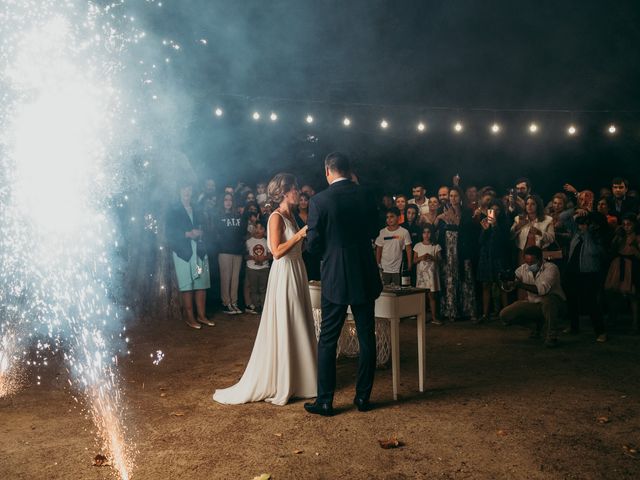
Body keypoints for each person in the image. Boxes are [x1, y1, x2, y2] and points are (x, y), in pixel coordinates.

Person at [213, 173, 317, 406]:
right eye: (294, 188)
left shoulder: (293, 216)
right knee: (288, 321)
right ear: (283, 192)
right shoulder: (275, 217)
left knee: (300, 320)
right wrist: (300, 235)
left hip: (298, 269)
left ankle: (304, 379)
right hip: (285, 272)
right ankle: (285, 380)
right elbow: (276, 251)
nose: (297, 192)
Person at [304, 152, 382, 416]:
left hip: (335, 274)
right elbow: (374, 229)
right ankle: (363, 398)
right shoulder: (365, 194)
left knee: (328, 339)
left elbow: (312, 245)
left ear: (328, 171)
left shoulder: (319, 200)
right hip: (364, 272)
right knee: (366, 336)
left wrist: (330, 248)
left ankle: (325, 401)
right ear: (350, 171)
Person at [166, 182, 215, 329]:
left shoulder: (198, 208)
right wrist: (186, 234)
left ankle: (202, 316)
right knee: (187, 284)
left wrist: (201, 233)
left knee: (201, 282)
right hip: (183, 252)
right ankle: (190, 318)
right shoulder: (173, 210)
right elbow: (169, 233)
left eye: (189, 188)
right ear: (179, 191)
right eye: (184, 188)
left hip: (199, 249)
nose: (187, 191)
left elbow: (207, 226)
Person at [499, 246, 567, 348]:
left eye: (532, 262)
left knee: (548, 301)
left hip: (556, 305)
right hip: (534, 304)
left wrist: (519, 284)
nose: (529, 265)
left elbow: (543, 290)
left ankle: (552, 336)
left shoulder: (551, 268)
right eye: (527, 262)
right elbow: (511, 283)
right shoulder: (523, 268)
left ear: (540, 259)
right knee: (505, 315)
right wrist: (506, 282)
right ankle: (537, 327)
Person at [436, 187, 477, 321]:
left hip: (462, 250)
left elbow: (467, 230)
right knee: (449, 279)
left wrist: (453, 218)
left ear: (460, 198)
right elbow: (436, 229)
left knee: (466, 279)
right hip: (448, 250)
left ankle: (468, 310)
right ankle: (451, 311)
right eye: (451, 196)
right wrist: (439, 218)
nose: (453, 198)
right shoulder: (443, 211)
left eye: (456, 196)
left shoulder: (466, 212)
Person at [564, 214, 607, 342]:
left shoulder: (597, 237)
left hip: (589, 274)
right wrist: (577, 213)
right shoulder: (577, 235)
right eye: (580, 224)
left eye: (584, 224)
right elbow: (564, 218)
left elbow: (593, 252)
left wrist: (588, 234)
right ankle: (574, 327)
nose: (581, 226)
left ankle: (601, 331)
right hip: (573, 272)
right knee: (571, 300)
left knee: (591, 302)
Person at [604, 213, 640, 333]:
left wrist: (635, 247)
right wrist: (617, 237)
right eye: (624, 224)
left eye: (629, 224)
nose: (626, 227)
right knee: (614, 293)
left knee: (633, 295)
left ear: (634, 225)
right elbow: (613, 249)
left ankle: (635, 322)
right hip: (618, 264)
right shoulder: (620, 236)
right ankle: (613, 319)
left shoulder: (637, 237)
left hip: (631, 265)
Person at [476, 200, 511, 323]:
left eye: (497, 210)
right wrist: (485, 229)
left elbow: (502, 241)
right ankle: (485, 315)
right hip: (486, 257)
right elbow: (481, 241)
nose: (494, 212)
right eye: (492, 210)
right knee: (485, 285)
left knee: (502, 286)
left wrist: (495, 225)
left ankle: (506, 316)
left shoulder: (504, 223)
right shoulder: (486, 222)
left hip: (499, 257)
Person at [217, 193, 245, 314]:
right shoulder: (219, 216)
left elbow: (242, 232)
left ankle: (234, 302)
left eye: (230, 200)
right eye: (225, 200)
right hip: (224, 251)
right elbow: (216, 233)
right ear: (222, 202)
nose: (228, 202)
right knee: (226, 278)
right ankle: (225, 303)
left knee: (235, 279)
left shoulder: (238, 215)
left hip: (237, 251)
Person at [375, 207, 412, 286]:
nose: (389, 219)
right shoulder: (382, 232)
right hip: (384, 268)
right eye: (387, 217)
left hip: (398, 268)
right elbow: (379, 249)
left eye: (392, 216)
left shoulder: (404, 232)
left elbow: (408, 249)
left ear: (398, 217)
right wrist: (378, 264)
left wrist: (409, 264)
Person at [413, 225, 442, 324]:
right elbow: (415, 260)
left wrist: (432, 257)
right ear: (421, 234)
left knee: (432, 296)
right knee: (422, 297)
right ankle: (422, 317)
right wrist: (422, 257)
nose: (426, 235)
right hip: (421, 276)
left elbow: (440, 260)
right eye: (424, 232)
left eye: (428, 232)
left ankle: (434, 317)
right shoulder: (418, 246)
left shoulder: (436, 246)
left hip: (431, 276)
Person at [244, 222, 271, 314]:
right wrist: (253, 257)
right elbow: (245, 255)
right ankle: (256, 306)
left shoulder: (267, 241)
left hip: (264, 268)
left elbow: (271, 255)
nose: (258, 230)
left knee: (263, 288)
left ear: (265, 231)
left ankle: (264, 306)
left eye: (261, 228)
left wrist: (264, 257)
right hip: (251, 269)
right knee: (253, 289)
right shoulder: (249, 241)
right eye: (256, 228)